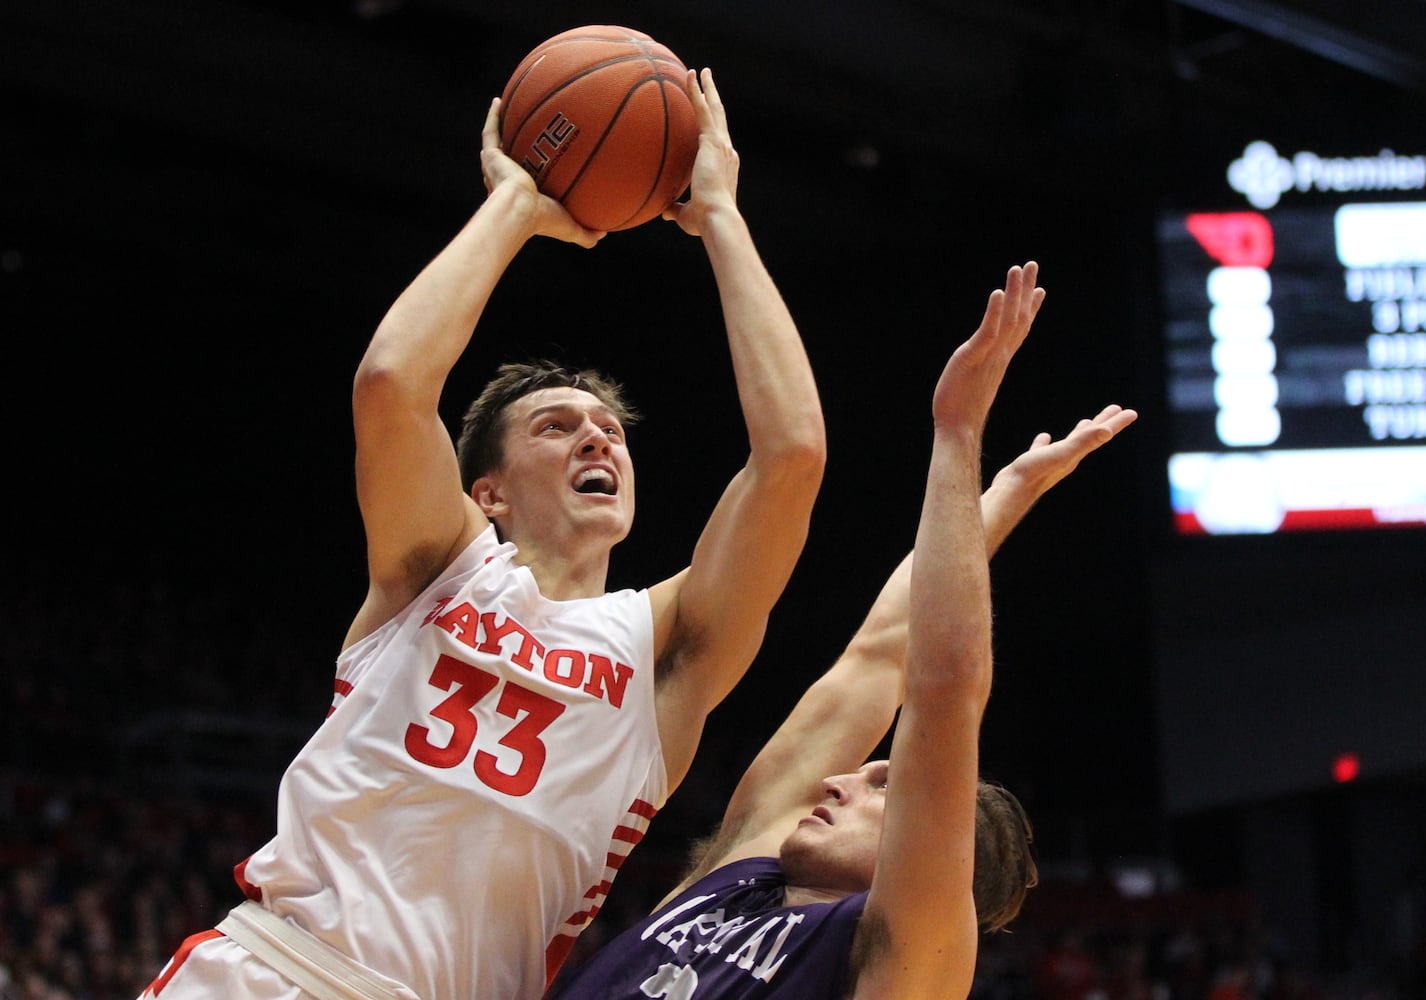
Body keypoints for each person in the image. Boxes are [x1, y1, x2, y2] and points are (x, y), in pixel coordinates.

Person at [139, 66, 825, 1000]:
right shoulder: (437, 570)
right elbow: (390, 383)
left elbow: (790, 456)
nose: (596, 434)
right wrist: (515, 206)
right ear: (488, 491)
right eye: (556, 425)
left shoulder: (665, 651)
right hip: (271, 973)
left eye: (610, 429)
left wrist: (724, 222)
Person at [544, 260, 1137, 999]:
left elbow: (942, 688)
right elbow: (878, 656)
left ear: (926, 854)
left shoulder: (897, 959)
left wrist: (956, 434)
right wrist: (1004, 494)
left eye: (882, 784)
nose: (840, 778)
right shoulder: (745, 870)